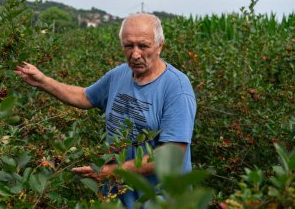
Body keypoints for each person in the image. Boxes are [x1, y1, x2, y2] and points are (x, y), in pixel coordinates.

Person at [14, 13, 196, 208]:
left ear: (160, 46)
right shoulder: (120, 74)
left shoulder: (176, 88)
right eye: (128, 46)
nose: (135, 54)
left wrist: (110, 172)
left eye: (143, 46)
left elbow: (172, 156)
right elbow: (84, 96)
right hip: (118, 199)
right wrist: (43, 81)